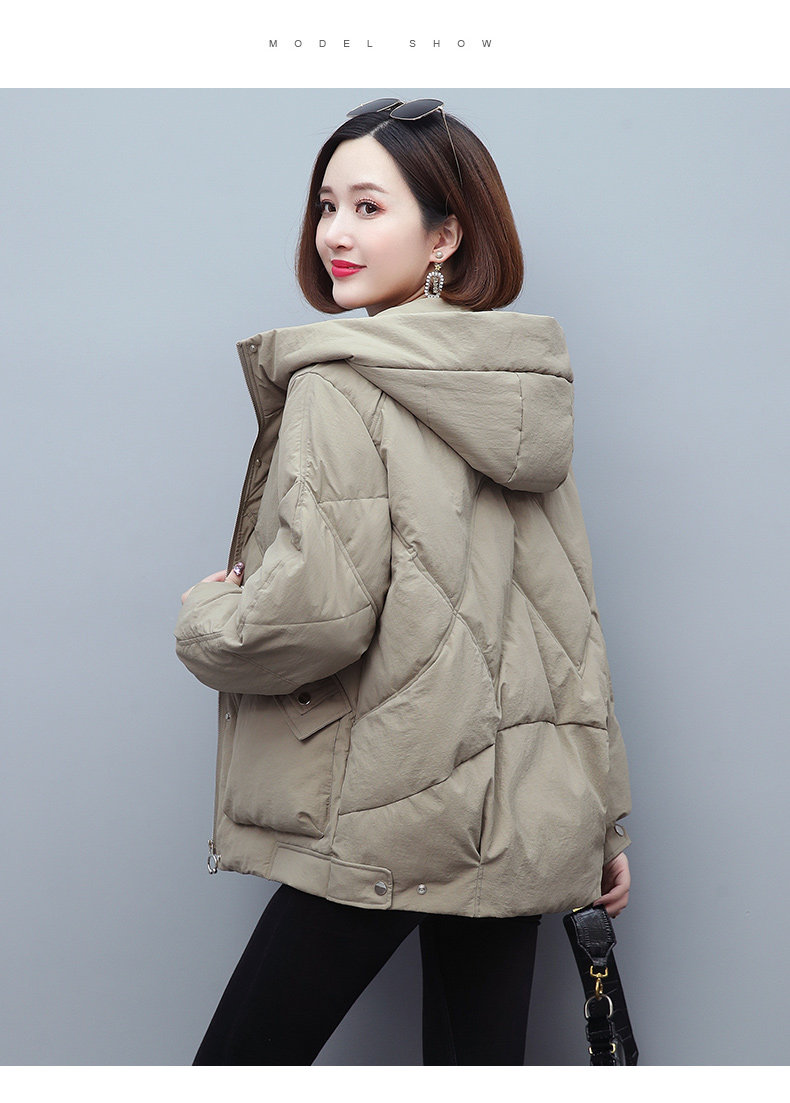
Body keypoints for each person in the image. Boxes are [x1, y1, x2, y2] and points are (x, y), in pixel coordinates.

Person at [175, 97, 632, 1066]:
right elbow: (566, 631)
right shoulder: (517, 387)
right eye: (325, 205)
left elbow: (313, 620)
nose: (335, 233)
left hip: (389, 815)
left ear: (446, 234)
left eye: (368, 206)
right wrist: (596, 816)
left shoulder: (338, 383)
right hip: (521, 820)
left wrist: (208, 612)